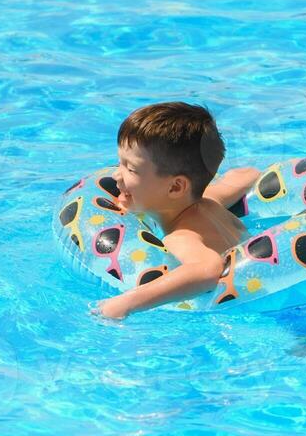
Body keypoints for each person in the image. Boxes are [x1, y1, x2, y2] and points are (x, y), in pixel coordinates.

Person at [92, 102, 260, 319]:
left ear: (175, 187)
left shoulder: (182, 237)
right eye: (119, 163)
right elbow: (247, 174)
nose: (117, 176)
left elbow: (208, 269)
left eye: (131, 169)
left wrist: (125, 303)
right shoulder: (210, 200)